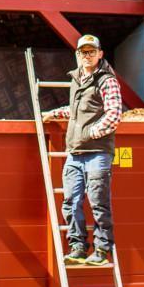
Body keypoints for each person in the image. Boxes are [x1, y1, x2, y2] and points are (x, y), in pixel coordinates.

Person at [42, 34, 122, 266]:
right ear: (78, 55)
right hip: (75, 154)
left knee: (98, 203)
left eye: (91, 51)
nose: (87, 56)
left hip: (97, 153)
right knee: (71, 201)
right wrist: (54, 113)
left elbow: (114, 114)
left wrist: (90, 133)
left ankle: (101, 251)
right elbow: (78, 111)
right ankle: (77, 247)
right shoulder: (77, 80)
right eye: (83, 52)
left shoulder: (107, 81)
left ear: (100, 54)